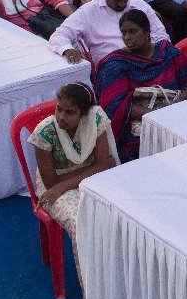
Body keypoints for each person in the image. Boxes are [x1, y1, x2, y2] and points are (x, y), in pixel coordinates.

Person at [27, 84, 118, 283]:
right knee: (82, 221)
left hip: (73, 181)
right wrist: (93, 169)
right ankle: (94, 284)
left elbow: (104, 165)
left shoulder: (95, 120)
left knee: (118, 211)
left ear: (84, 114)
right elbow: (51, 182)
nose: (61, 116)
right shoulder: (44, 133)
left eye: (70, 112)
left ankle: (115, 271)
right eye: (59, 108)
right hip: (54, 187)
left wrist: (68, 182)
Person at [95, 9, 187, 161]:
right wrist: (157, 116)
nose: (127, 38)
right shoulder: (114, 65)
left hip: (178, 112)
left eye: (133, 32)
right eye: (123, 33)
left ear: (147, 32)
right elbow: (115, 106)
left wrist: (178, 104)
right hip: (139, 128)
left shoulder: (166, 52)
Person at [49, 0, 168, 65]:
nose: (122, 4)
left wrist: (156, 53)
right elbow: (59, 35)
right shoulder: (88, 11)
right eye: (117, 1)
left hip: (147, 61)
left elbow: (161, 35)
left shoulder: (139, 5)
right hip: (113, 69)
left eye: (125, 0)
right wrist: (67, 49)